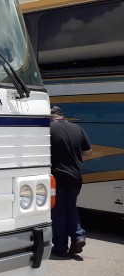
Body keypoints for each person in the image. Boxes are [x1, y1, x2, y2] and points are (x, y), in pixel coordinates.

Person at [49, 106, 92, 257]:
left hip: (58, 176)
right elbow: (88, 151)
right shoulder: (77, 128)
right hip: (76, 176)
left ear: (51, 116)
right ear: (62, 116)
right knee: (71, 207)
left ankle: (60, 248)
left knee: (58, 212)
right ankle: (78, 236)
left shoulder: (49, 129)